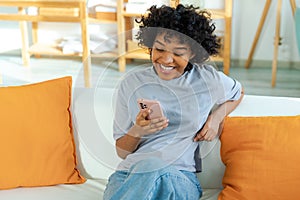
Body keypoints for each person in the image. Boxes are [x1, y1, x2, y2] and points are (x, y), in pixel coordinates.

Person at [104, 4, 244, 200]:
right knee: (147, 166)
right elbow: (122, 151)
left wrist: (216, 117)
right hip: (127, 178)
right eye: (159, 49)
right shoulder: (131, 83)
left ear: (193, 53)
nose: (166, 59)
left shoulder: (207, 80)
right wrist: (138, 130)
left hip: (180, 178)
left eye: (178, 53)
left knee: (152, 166)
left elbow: (238, 93)